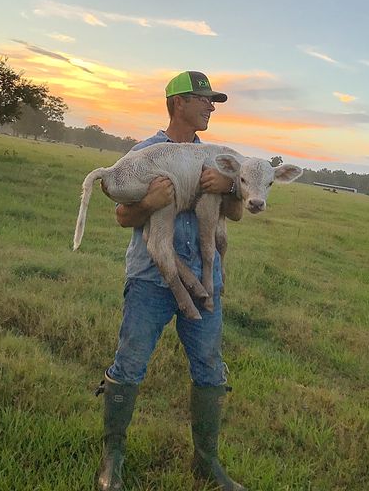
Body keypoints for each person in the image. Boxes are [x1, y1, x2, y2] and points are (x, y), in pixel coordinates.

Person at [96, 71, 247, 491]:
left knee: (210, 370)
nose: (210, 107)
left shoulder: (218, 160)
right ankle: (113, 462)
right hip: (149, 280)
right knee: (129, 365)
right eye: (203, 99)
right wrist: (149, 201)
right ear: (178, 102)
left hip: (205, 280)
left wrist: (229, 186)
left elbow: (233, 215)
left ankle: (206, 463)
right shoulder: (144, 154)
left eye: (213, 101)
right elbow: (124, 217)